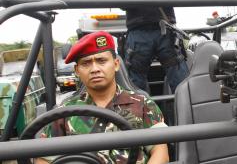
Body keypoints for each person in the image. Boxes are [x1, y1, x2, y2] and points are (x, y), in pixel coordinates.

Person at [36, 31, 169, 164]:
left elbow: (160, 153)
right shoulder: (64, 112)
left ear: (116, 64)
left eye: (101, 61)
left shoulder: (143, 104)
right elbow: (43, 160)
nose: (95, 69)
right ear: (77, 71)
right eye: (86, 63)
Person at [113, 0, 189, 93]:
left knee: (179, 77)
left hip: (162, 32)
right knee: (135, 82)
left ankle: (186, 103)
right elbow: (121, 1)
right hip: (142, 33)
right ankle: (140, 109)